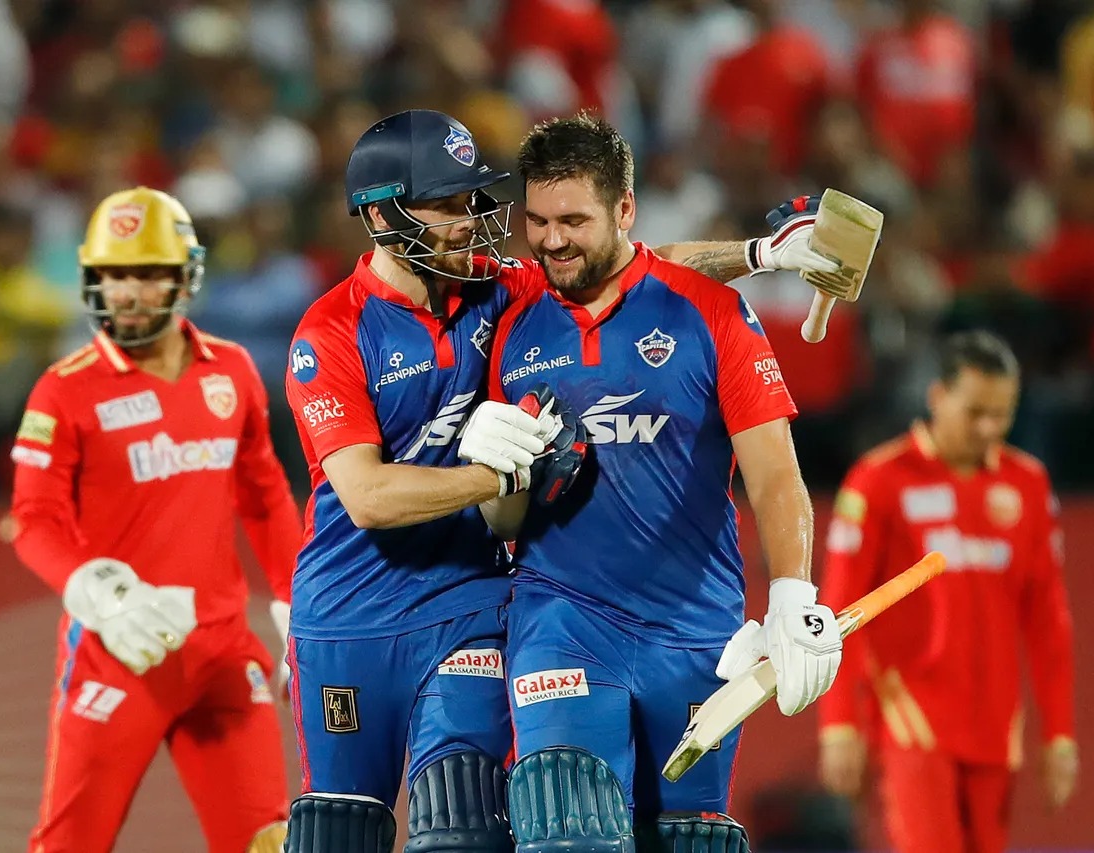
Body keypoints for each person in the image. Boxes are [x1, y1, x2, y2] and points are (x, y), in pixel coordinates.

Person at [280, 108, 841, 853]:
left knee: (463, 833)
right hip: (349, 614)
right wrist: (493, 475)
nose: (470, 220)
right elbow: (368, 498)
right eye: (447, 205)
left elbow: (639, 264)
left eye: (472, 200)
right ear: (382, 216)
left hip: (471, 603)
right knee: (337, 834)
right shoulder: (330, 332)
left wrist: (761, 252)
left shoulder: (498, 290)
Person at [481, 112, 843, 851]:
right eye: (538, 221)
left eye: (574, 221)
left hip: (695, 632)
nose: (552, 241)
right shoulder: (513, 317)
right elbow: (505, 524)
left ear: (625, 209)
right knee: (567, 832)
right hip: (562, 621)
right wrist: (492, 471)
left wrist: (793, 596)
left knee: (687, 840)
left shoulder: (712, 312)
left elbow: (776, 474)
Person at [8, 187, 301, 853]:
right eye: (113, 274)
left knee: (267, 843)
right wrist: (101, 594)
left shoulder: (232, 370)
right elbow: (32, 519)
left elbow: (263, 496)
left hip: (223, 652)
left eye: (146, 273)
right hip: (118, 653)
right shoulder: (64, 388)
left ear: (185, 277)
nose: (127, 293)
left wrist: (297, 608)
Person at [816, 330, 1077, 853]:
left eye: (1001, 414)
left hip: (996, 728)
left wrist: (1060, 734)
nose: (989, 429)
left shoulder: (1027, 485)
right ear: (937, 396)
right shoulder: (879, 481)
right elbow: (839, 611)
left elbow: (1049, 620)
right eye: (975, 412)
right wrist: (838, 724)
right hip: (912, 724)